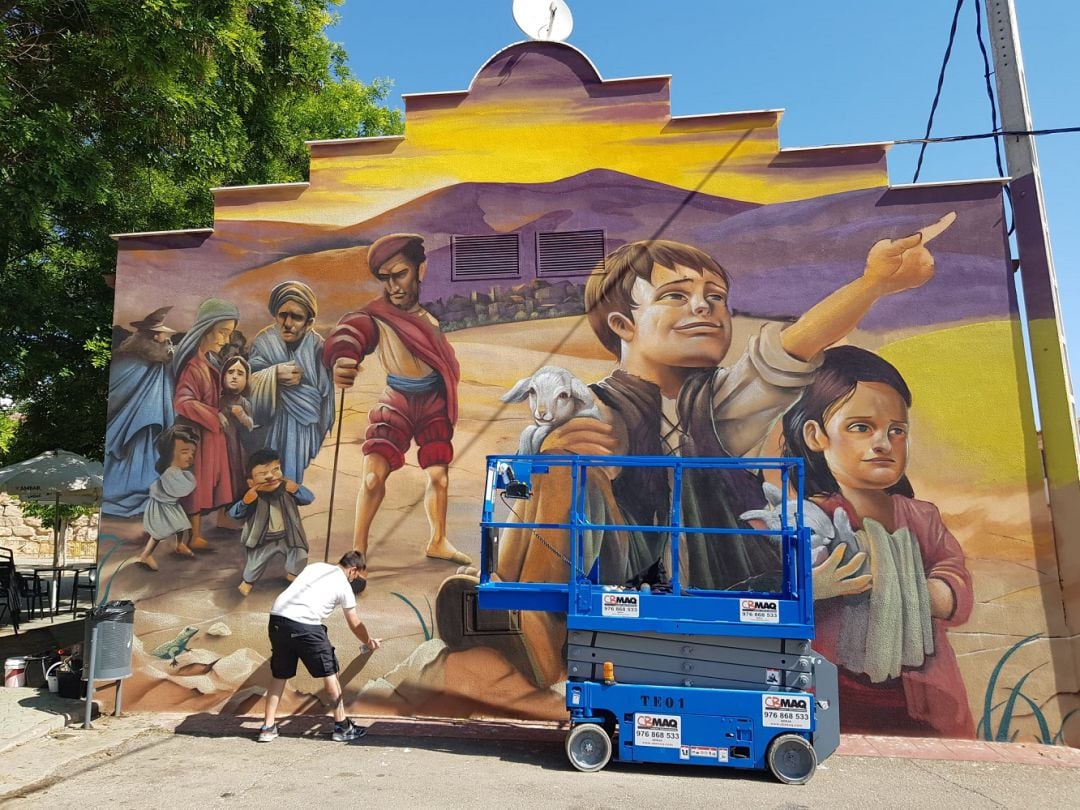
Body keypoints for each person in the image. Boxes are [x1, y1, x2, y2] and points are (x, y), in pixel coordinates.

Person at [781, 345, 974, 737]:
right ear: (816, 435)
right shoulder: (806, 518)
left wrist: (908, 588)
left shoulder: (922, 517)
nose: (883, 443)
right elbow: (774, 586)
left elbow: (957, 584)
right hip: (832, 688)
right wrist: (814, 587)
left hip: (921, 694)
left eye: (896, 431)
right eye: (861, 427)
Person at [323, 233, 468, 565]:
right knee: (373, 476)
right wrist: (343, 357)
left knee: (437, 477)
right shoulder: (378, 316)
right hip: (397, 400)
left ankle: (438, 541)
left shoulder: (430, 321)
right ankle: (358, 550)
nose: (393, 286)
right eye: (385, 279)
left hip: (432, 402)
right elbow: (353, 331)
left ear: (420, 270)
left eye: (399, 274)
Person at [258, 551, 381, 743]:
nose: (354, 580)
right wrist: (368, 642)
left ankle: (267, 727)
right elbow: (355, 623)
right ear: (353, 570)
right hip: (305, 624)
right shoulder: (343, 586)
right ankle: (342, 727)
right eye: (356, 576)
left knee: (280, 674)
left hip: (277, 619)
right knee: (330, 672)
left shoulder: (316, 567)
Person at [248, 281, 335, 485]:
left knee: (295, 486)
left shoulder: (318, 347)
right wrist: (273, 375)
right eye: (282, 315)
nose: (287, 323)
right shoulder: (263, 342)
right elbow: (246, 384)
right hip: (268, 428)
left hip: (306, 431)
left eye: (296, 317)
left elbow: (324, 394)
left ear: (309, 322)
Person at [172, 298, 241, 550]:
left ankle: (222, 519)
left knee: (219, 480)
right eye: (223, 332)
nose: (225, 339)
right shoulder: (193, 366)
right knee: (198, 485)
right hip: (199, 436)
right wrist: (213, 414)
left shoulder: (208, 363)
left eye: (229, 334)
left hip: (213, 436)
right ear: (206, 329)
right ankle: (194, 535)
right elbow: (182, 401)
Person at [103, 306, 177, 517]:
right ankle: (131, 492)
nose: (167, 338)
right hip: (136, 421)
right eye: (163, 334)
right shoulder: (138, 359)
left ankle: (143, 490)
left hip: (145, 422)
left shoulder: (152, 358)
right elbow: (120, 389)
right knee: (134, 455)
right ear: (154, 335)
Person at [229, 448, 314, 597]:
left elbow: (309, 498)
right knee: (255, 563)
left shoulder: (287, 489)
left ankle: (293, 574)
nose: (270, 476)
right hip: (263, 539)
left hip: (288, 536)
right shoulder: (253, 496)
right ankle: (248, 581)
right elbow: (234, 513)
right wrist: (244, 502)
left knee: (299, 554)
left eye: (276, 470)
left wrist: (296, 490)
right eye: (262, 474)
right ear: (251, 482)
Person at [137, 425, 200, 570]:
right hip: (161, 507)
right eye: (185, 452)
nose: (190, 456)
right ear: (170, 453)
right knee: (158, 534)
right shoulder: (170, 473)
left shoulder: (178, 471)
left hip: (171, 505)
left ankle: (179, 545)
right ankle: (146, 555)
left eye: (192, 453)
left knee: (181, 526)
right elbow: (181, 490)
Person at [219, 354, 255, 502]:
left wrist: (242, 416)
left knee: (238, 475)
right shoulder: (218, 401)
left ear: (246, 380)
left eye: (240, 374)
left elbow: (251, 425)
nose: (234, 377)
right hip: (221, 447)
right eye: (230, 372)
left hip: (239, 448)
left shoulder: (245, 403)